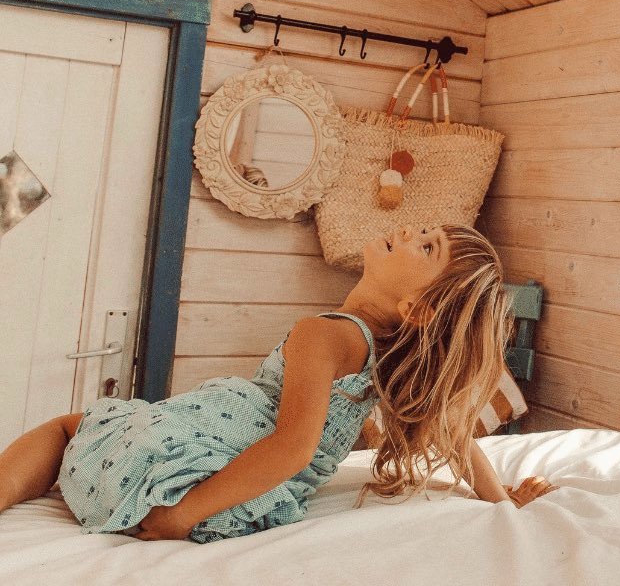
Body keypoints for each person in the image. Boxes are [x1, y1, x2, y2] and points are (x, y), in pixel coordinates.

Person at [0, 223, 556, 542]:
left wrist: (185, 513)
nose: (411, 231)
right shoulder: (386, 356)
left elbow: (293, 446)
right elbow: (453, 431)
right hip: (247, 469)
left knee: (72, 428)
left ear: (416, 308)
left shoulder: (326, 333)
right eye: (426, 230)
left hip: (221, 465)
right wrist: (500, 497)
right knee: (98, 422)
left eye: (428, 247)